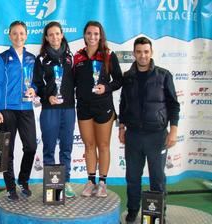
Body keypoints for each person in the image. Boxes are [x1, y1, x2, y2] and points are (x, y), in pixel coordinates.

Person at [119, 36, 180, 222]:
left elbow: (174, 105)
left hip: (157, 136)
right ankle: (132, 209)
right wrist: (121, 127)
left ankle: (158, 213)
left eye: (146, 51)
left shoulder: (164, 75)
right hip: (134, 136)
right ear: (134, 54)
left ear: (151, 52)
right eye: (139, 52)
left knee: (158, 178)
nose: (142, 55)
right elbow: (123, 104)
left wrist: (174, 130)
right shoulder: (128, 77)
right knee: (132, 177)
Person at [73, 21, 122, 197]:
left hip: (103, 107)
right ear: (84, 35)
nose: (92, 37)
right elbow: (72, 81)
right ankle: (90, 181)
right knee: (89, 145)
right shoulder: (77, 57)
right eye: (89, 33)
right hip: (84, 107)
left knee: (103, 145)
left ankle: (102, 182)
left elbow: (118, 80)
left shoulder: (109, 55)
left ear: (101, 36)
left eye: (96, 34)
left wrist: (106, 88)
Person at [0, 21, 37, 201]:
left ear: (26, 35)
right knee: (7, 151)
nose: (19, 37)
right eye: (15, 33)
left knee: (31, 147)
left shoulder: (32, 58)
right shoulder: (3, 58)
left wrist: (34, 89)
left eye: (22, 33)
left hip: (26, 108)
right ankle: (10, 187)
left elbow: (35, 82)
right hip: (7, 110)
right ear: (9, 36)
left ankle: (23, 180)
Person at [33, 21, 76, 198]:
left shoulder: (70, 57)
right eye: (51, 34)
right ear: (46, 38)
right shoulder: (41, 59)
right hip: (49, 110)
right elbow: (36, 83)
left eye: (57, 33)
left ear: (62, 34)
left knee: (66, 148)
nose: (55, 37)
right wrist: (46, 97)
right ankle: (51, 183)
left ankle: (65, 182)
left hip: (68, 109)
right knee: (49, 149)